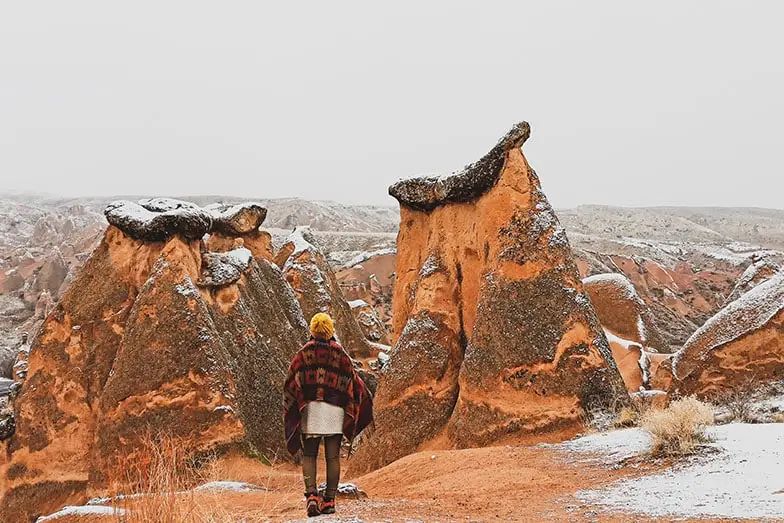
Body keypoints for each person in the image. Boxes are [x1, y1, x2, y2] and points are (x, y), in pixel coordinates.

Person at [284, 312, 373, 517]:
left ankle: (312, 497)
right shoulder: (340, 353)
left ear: (313, 329)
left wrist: (299, 402)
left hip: (311, 409)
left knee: (310, 454)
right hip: (334, 410)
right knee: (333, 456)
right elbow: (353, 380)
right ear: (330, 329)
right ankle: (329, 500)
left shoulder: (304, 353)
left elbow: (291, 381)